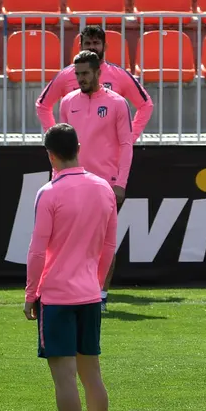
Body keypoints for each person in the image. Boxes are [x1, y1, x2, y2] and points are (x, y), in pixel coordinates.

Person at [24, 123, 118, 411]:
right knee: (92, 374)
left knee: (64, 377)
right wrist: (95, 284)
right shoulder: (103, 189)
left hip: (58, 297)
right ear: (79, 147)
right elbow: (109, 245)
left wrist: (31, 293)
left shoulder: (49, 193)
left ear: (50, 155)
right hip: (89, 296)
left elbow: (37, 251)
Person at [58, 51, 133, 314]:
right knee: (71, 239)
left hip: (106, 184)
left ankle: (100, 295)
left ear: (98, 73)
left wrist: (121, 182)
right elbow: (61, 146)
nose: (81, 79)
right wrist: (57, 178)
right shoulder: (67, 102)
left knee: (104, 242)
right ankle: (76, 293)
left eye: (85, 73)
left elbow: (126, 144)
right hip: (73, 183)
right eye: (77, 74)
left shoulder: (117, 103)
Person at [36, 25, 152, 139]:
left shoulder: (119, 75)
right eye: (88, 43)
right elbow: (43, 105)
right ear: (80, 47)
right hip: (75, 154)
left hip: (108, 153)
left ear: (105, 46)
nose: (92, 47)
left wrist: (130, 137)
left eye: (96, 43)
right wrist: (55, 139)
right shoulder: (66, 75)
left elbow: (145, 105)